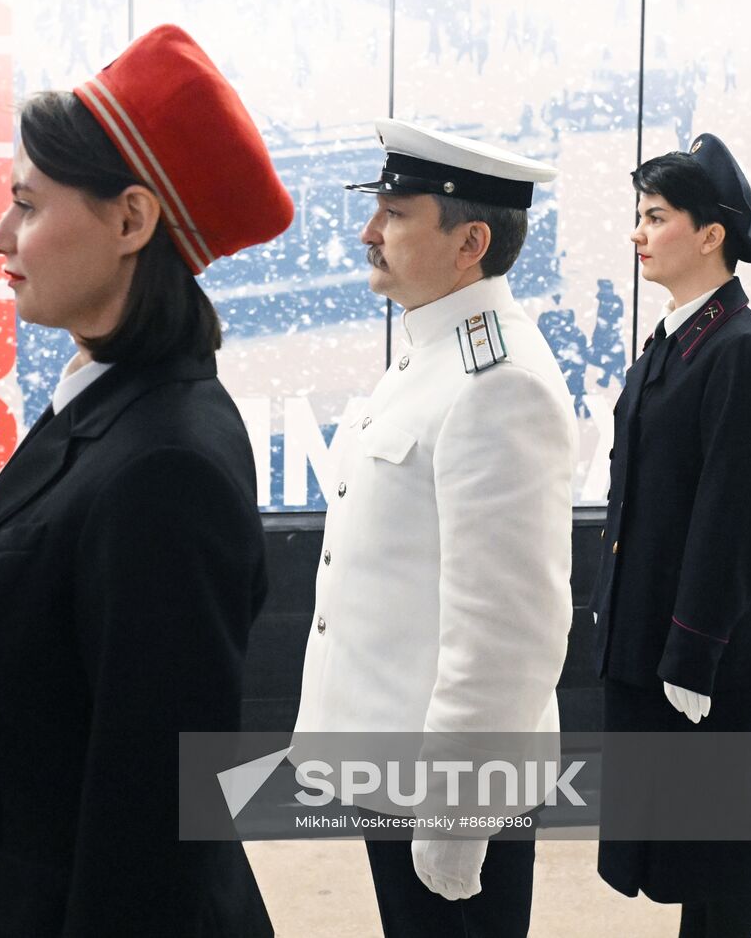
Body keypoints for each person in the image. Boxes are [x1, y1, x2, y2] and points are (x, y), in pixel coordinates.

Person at [0, 25, 294, 937]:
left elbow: (154, 816)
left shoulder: (165, 464)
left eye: (28, 205)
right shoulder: (105, 405)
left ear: (132, 221)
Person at [293, 119, 575, 937]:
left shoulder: (499, 381)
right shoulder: (435, 352)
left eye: (396, 212)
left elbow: (507, 630)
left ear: (470, 241)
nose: (368, 230)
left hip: (441, 790)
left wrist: (457, 822)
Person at [591, 133, 751, 938]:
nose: (639, 233)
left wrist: (694, 647)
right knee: (683, 838)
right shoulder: (677, 338)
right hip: (649, 632)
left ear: (711, 234)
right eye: (638, 215)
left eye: (656, 216)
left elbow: (730, 518)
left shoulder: (742, 351)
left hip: (696, 642)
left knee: (717, 838)